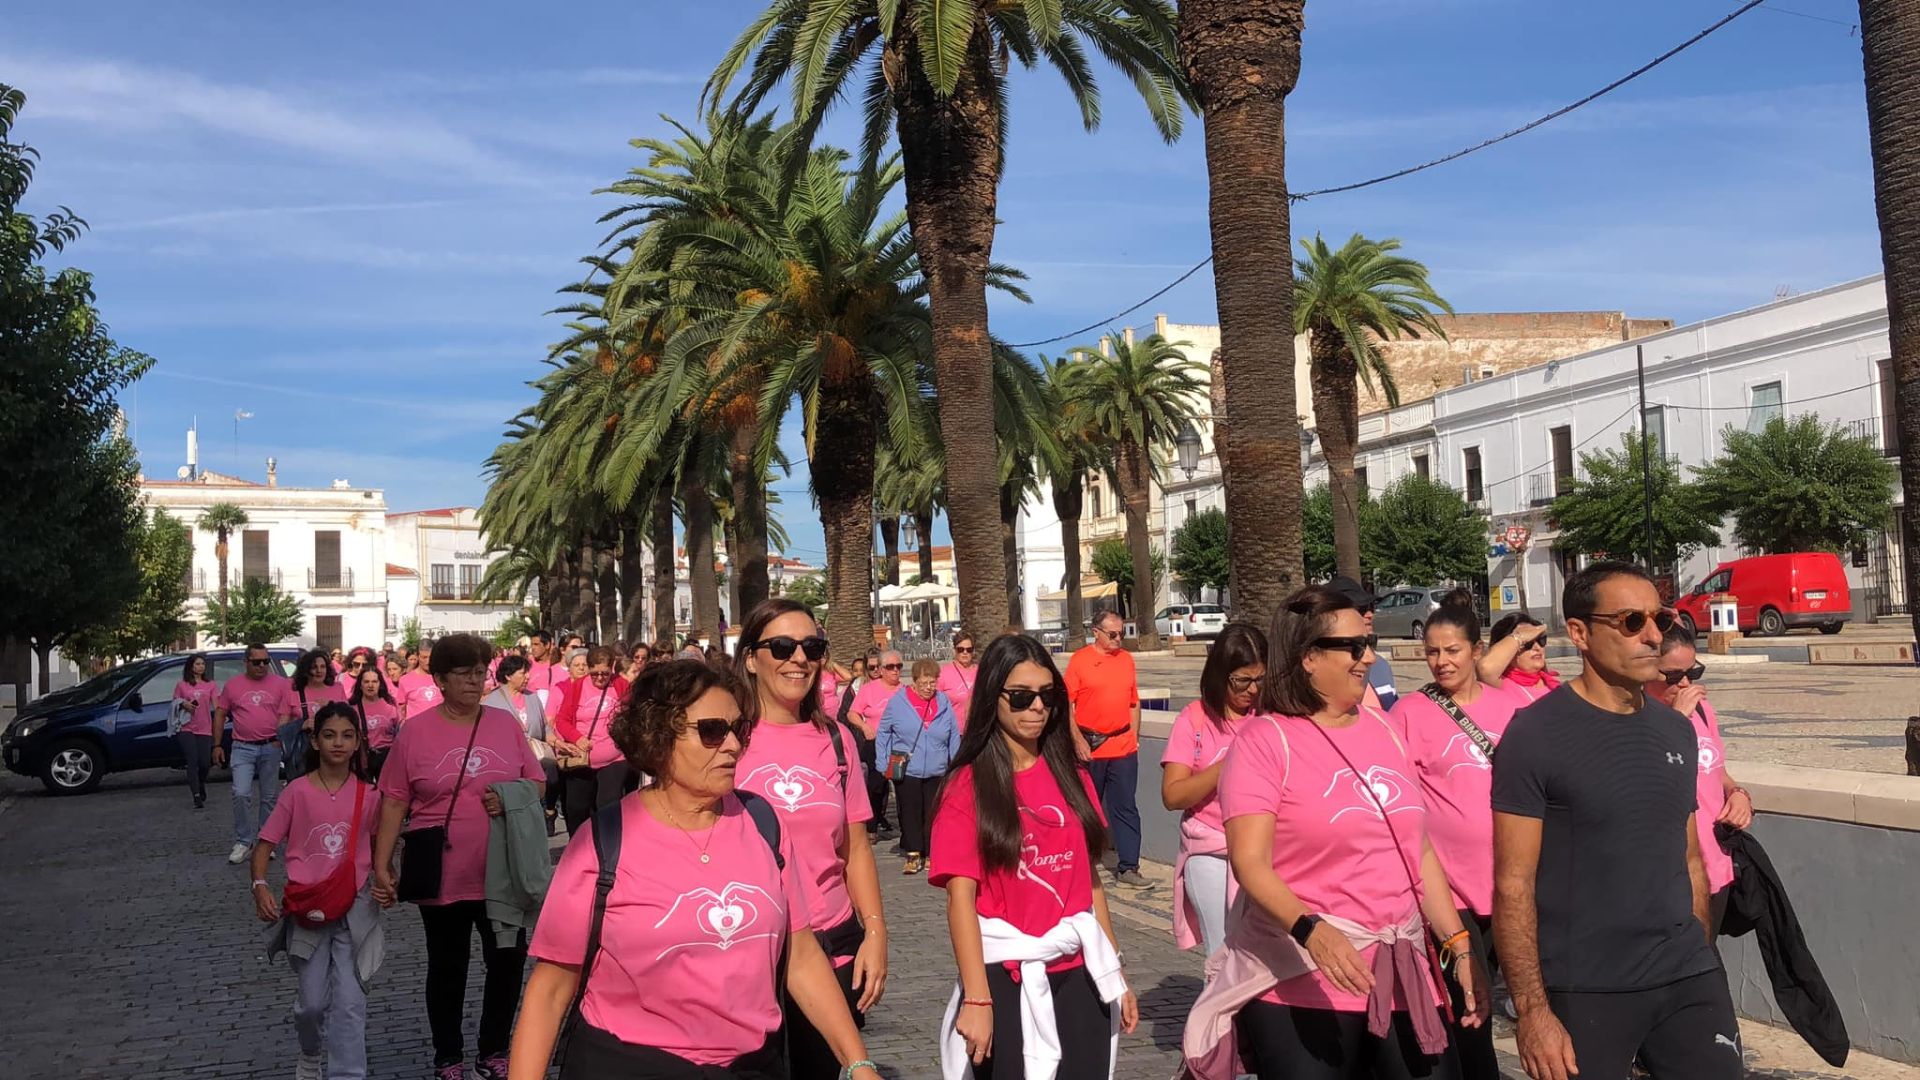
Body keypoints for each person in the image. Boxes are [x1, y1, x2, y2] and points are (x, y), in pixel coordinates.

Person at [506, 660, 883, 1080]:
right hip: (630, 1066)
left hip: (755, 1065)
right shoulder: (603, 842)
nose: (733, 747)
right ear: (658, 737)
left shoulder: (764, 824)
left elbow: (802, 957)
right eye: (711, 732)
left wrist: (858, 1062)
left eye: (739, 731)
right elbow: (551, 988)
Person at [1179, 584, 1483, 1080]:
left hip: (1403, 973)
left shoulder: (1383, 728)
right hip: (1302, 981)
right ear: (1308, 657)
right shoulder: (1265, 741)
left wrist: (1458, 943)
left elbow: (1418, 849)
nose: (1368, 657)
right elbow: (1249, 863)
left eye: (1369, 645)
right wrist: (1311, 930)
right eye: (1355, 647)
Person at [1491, 561, 1737, 1080]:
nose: (1653, 636)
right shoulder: (1535, 735)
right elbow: (1512, 885)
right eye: (1630, 622)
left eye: (1660, 618)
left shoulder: (1677, 731)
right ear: (1579, 633)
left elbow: (1689, 857)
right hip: (1586, 987)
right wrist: (1533, 1012)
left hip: (1687, 977)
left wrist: (1701, 953)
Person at [932, 633, 1138, 1080]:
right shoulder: (966, 787)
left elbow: (1092, 882)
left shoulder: (1072, 775)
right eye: (1021, 697)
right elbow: (960, 900)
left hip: (1080, 973)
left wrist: (1114, 971)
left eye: (1047, 695)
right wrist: (977, 997)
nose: (1037, 708)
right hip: (1006, 978)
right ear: (993, 697)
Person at [373, 633, 546, 1080]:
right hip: (444, 874)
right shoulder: (415, 732)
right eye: (464, 673)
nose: (475, 680)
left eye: (480, 672)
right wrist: (381, 861)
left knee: (506, 964)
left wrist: (508, 797)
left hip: (503, 872)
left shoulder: (504, 724)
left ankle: (494, 1050)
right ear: (440, 680)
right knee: (447, 968)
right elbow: (393, 799)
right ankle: (447, 1055)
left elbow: (539, 782)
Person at [733, 599, 890, 1077]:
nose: (799, 659)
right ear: (750, 659)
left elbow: (855, 848)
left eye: (812, 647)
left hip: (831, 942)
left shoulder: (838, 740)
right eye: (781, 647)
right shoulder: (726, 740)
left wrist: (876, 934)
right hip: (750, 949)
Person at [1387, 590, 1523, 1080]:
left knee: (1530, 1004)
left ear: (1477, 650)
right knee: (1471, 1011)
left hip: (1512, 886)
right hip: (1451, 893)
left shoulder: (1511, 707)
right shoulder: (1407, 714)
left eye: (1452, 651)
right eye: (1432, 651)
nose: (1441, 662)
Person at [250, 703, 392, 1080]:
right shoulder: (296, 792)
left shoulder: (370, 795)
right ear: (314, 740)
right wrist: (260, 885)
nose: (338, 743)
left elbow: (383, 849)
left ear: (359, 741)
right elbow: (264, 844)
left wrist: (388, 882)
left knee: (350, 1001)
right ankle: (309, 1052)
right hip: (308, 908)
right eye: (329, 735)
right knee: (311, 1005)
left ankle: (348, 1074)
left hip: (355, 908)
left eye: (347, 735)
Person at [1160, 623, 1266, 956]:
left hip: (1263, 850)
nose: (1252, 690)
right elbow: (1172, 795)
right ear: (1221, 675)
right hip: (1211, 852)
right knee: (1224, 955)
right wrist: (1225, 768)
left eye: (1259, 680)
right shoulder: (1194, 720)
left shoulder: (1268, 717)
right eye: (1242, 681)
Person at [1644, 621, 1753, 935]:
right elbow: (1645, 783)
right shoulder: (1636, 720)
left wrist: (1737, 793)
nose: (1685, 683)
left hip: (1715, 863)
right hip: (1671, 874)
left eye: (1694, 672)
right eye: (1674, 676)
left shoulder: (1703, 710)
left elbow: (1715, 770)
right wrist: (1676, 722)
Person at [1063, 611, 1146, 888]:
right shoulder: (1080, 661)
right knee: (1087, 808)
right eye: (1113, 634)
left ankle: (1129, 866)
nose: (1118, 639)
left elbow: (1134, 702)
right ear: (1096, 632)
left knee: (1125, 807)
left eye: (1122, 633)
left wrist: (1134, 736)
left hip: (1123, 747)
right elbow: (1066, 705)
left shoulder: (1126, 660)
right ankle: (1081, 863)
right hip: (1091, 747)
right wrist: (1077, 741)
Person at [876, 658, 963, 875]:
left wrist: (956, 763)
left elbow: (953, 734)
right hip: (908, 767)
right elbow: (884, 732)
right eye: (924, 683)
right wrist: (883, 760)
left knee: (933, 812)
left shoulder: (943, 703)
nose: (928, 688)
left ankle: (933, 851)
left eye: (932, 683)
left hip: (937, 767)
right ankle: (914, 853)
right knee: (910, 811)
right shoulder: (898, 703)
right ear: (914, 682)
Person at [216, 644, 293, 864]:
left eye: (265, 662)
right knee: (240, 793)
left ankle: (265, 841)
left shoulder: (281, 684)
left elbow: (288, 711)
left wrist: (283, 737)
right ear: (246, 662)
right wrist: (217, 744)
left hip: (271, 746)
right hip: (242, 746)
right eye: (256, 662)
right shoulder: (232, 686)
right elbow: (221, 713)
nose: (262, 666)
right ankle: (243, 840)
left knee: (269, 797)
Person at [549, 645, 631, 833]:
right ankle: (579, 848)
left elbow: (632, 714)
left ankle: (607, 847)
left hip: (614, 758)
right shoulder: (578, 686)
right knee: (577, 808)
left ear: (612, 667)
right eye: (594, 674)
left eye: (604, 673)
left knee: (608, 805)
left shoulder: (620, 685)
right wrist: (576, 738)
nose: (600, 678)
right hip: (582, 758)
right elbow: (562, 720)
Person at [487, 655, 561, 833]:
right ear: (508, 676)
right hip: (506, 765)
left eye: (528, 672)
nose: (528, 676)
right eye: (523, 673)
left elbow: (544, 729)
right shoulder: (491, 701)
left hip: (533, 763)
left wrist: (559, 743)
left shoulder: (532, 698)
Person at [849, 649, 904, 841]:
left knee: (900, 785)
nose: (895, 671)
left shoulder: (904, 691)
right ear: (881, 670)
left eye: (899, 666)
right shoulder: (869, 689)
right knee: (876, 787)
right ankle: (871, 827)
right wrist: (864, 727)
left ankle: (906, 831)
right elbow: (851, 713)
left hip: (897, 745)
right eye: (890, 667)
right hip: (876, 745)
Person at [1328, 575, 1398, 709]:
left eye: (1371, 607)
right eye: (1361, 609)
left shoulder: (1380, 666)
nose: (1369, 614)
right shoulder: (1322, 673)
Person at [284, 649, 350, 780]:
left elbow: (349, 719)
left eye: (323, 667)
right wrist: (301, 725)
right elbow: (281, 727)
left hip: (332, 749)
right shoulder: (294, 692)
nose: (319, 671)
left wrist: (331, 707)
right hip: (303, 752)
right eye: (314, 667)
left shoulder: (337, 688)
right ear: (305, 670)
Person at [1477, 614, 1557, 703]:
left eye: (1540, 640)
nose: (1537, 647)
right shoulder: (1501, 685)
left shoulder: (1552, 683)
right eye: (1527, 643)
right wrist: (1519, 636)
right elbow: (1485, 668)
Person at [173, 653, 218, 809]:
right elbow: (175, 703)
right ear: (191, 666)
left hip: (204, 727)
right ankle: (196, 795)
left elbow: (216, 704)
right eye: (198, 664)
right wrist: (183, 703)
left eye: (202, 664)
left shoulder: (210, 685)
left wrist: (221, 716)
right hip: (186, 727)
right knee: (192, 761)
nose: (201, 667)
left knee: (205, 763)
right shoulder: (182, 684)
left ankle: (201, 783)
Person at [347, 665, 402, 778]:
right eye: (366, 682)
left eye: (374, 682)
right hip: (362, 760)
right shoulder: (352, 708)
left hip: (387, 759)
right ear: (360, 685)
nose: (370, 685)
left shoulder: (390, 705)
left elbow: (400, 732)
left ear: (380, 684)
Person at [938, 634, 981, 721]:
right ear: (955, 650)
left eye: (969, 650)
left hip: (977, 728)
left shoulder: (981, 671)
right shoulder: (943, 673)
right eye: (961, 649)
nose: (965, 652)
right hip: (954, 730)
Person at [398, 642, 443, 718]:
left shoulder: (443, 677)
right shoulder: (405, 680)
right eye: (424, 657)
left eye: (431, 657)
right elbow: (402, 709)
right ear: (418, 656)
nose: (428, 661)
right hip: (415, 728)